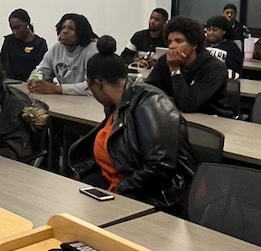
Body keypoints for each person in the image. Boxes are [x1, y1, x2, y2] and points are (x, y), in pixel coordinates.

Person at [69, 36, 195, 211]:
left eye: (89, 87)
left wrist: (117, 191)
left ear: (98, 83)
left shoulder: (150, 104)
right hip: (116, 184)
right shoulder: (116, 105)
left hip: (149, 195)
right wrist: (82, 171)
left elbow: (160, 168)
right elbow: (113, 148)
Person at [146, 16, 233, 117]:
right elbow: (148, 91)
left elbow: (188, 104)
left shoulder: (214, 67)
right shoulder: (165, 61)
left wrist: (174, 70)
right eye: (170, 42)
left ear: (194, 45)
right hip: (176, 117)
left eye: (178, 41)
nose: (172, 46)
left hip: (213, 120)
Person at [28, 13, 98, 96]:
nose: (64, 31)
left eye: (71, 28)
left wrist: (56, 89)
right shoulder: (57, 48)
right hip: (65, 100)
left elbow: (92, 87)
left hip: (90, 103)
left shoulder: (94, 50)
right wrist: (34, 81)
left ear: (81, 32)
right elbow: (42, 70)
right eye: (62, 28)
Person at [0, 8, 48, 82]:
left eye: (17, 28)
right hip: (9, 83)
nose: (15, 32)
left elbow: (42, 69)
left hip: (30, 83)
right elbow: (2, 65)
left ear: (27, 24)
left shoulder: (40, 44)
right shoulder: (9, 41)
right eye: (12, 29)